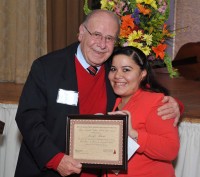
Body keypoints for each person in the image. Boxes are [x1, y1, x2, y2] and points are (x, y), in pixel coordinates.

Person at [15, 9, 183, 177]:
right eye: (96, 34)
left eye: (109, 38)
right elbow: (28, 117)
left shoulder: (114, 71)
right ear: (81, 33)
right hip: (51, 170)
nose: (102, 44)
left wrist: (175, 106)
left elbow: (145, 90)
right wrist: (55, 158)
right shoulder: (48, 67)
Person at [107, 46, 180, 177]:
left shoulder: (156, 102)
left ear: (142, 73)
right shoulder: (114, 100)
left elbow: (171, 149)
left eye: (126, 70)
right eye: (113, 69)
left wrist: (134, 134)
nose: (117, 75)